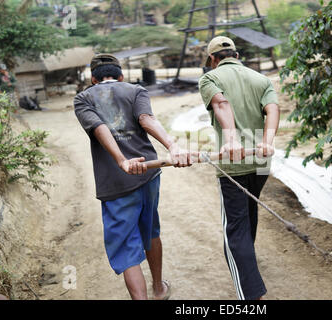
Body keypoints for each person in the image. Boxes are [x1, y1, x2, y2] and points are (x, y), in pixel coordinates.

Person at [74, 54, 192, 300]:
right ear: (121, 76)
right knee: (150, 230)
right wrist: (173, 146)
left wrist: (121, 161)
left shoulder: (83, 98)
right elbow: (146, 119)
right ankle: (159, 288)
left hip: (116, 183)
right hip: (148, 175)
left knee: (127, 247)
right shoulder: (136, 90)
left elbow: (99, 127)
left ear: (93, 79)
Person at [198, 36, 280, 300]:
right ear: (236, 54)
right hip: (261, 161)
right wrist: (267, 142)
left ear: (213, 59)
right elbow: (273, 109)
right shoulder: (261, 79)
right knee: (249, 207)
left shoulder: (210, 78)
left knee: (234, 229)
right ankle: (249, 260)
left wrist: (231, 139)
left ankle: (250, 295)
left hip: (233, 165)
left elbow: (222, 104)